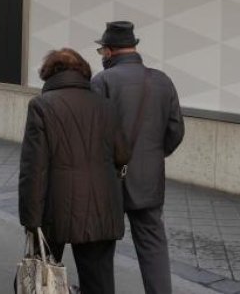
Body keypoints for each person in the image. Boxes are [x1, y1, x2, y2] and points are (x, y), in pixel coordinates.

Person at [19, 48, 131, 294]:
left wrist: (30, 220)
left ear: (48, 74)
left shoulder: (41, 106)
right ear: (84, 73)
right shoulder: (106, 105)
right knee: (99, 279)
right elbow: (123, 155)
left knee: (44, 276)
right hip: (101, 206)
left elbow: (33, 169)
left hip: (54, 208)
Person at [90, 21, 184, 294]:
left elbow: (94, 135)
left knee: (100, 246)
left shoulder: (102, 81)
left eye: (102, 52)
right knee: (153, 244)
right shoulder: (162, 81)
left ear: (108, 51)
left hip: (109, 179)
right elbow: (176, 130)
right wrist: (154, 155)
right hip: (149, 178)